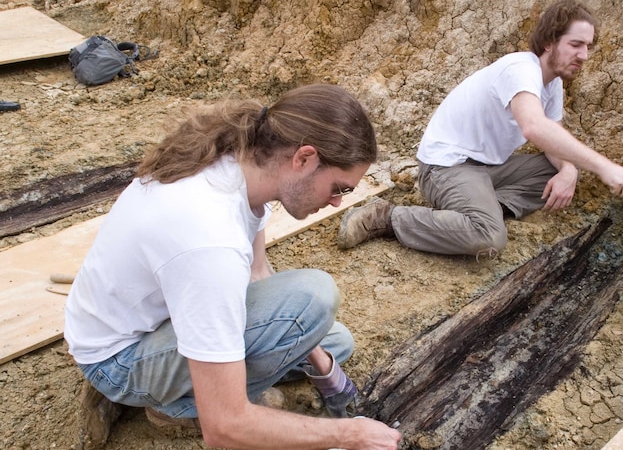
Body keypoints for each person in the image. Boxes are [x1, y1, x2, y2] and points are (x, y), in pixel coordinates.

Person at [64, 84, 402, 450]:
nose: (337, 202)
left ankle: (194, 385)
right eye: (339, 187)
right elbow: (224, 428)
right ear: (303, 158)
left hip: (156, 316)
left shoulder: (245, 167)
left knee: (332, 340)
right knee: (313, 298)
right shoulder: (210, 237)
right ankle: (175, 407)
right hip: (118, 357)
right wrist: (348, 434)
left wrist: (321, 365)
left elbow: (258, 276)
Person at [337, 0, 623, 257]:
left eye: (588, 47)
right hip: (445, 169)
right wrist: (606, 168)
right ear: (548, 42)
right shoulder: (520, 69)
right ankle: (386, 217)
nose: (583, 55)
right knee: (488, 239)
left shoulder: (552, 85)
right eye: (576, 44)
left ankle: (478, 208)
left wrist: (569, 171)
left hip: (486, 169)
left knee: (557, 171)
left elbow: (552, 142)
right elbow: (534, 128)